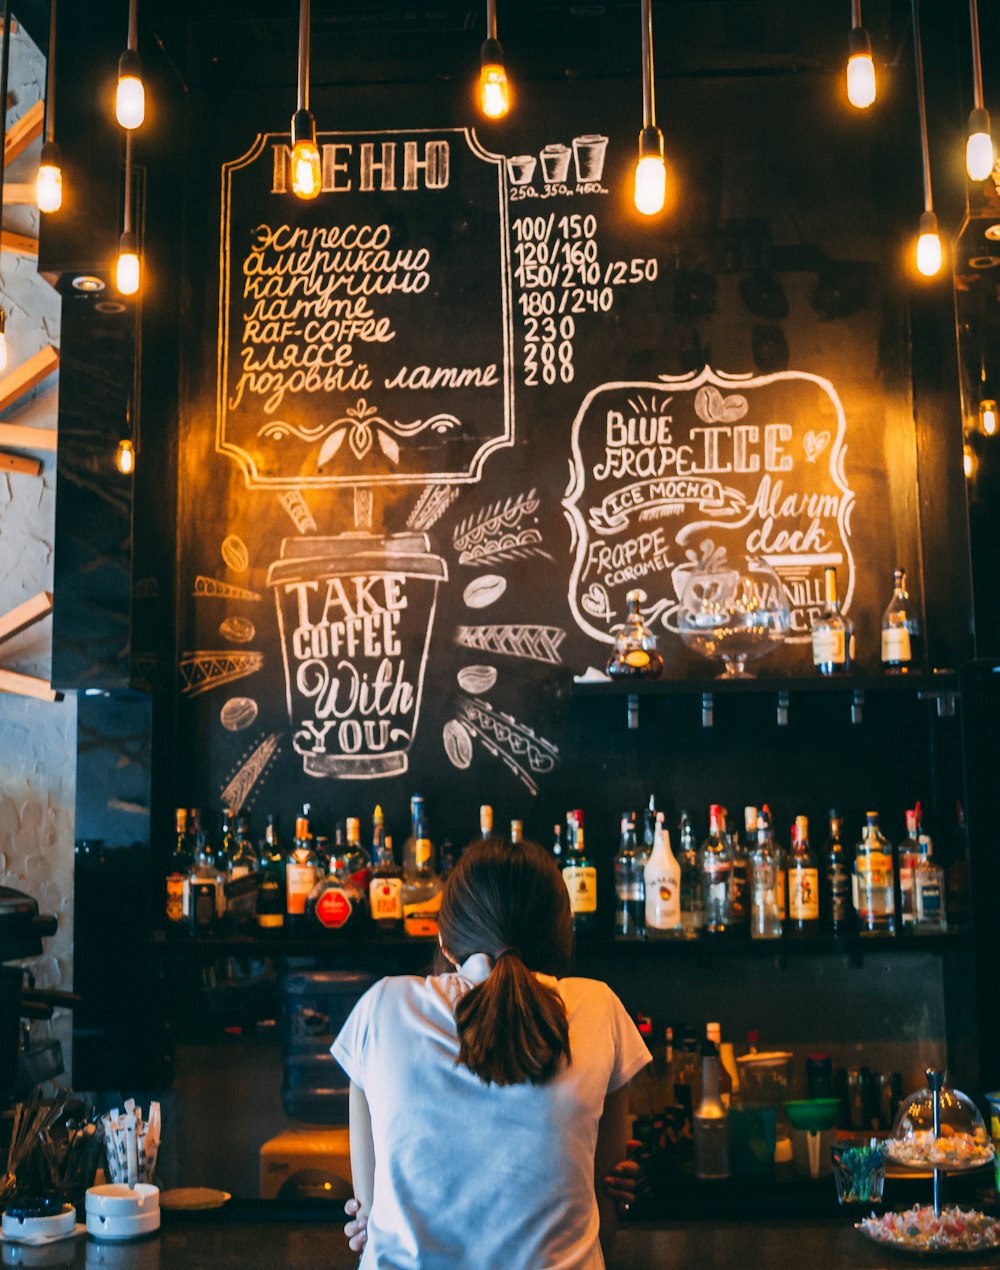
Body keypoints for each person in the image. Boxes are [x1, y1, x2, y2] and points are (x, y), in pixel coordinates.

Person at [332, 836, 652, 1269]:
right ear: (563, 932)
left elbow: (368, 1216)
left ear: (445, 939)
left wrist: (378, 1218)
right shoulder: (600, 1008)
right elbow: (605, 1207)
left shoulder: (383, 1006)